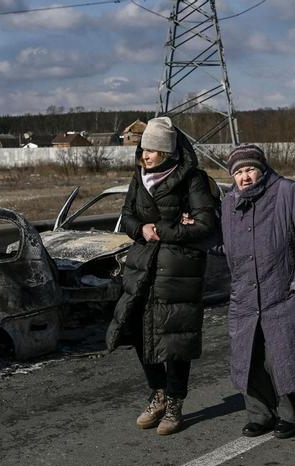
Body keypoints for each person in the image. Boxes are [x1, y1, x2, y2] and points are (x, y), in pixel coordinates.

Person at [105, 116, 220, 436]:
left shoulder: (191, 179)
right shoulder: (138, 177)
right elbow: (126, 216)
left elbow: (205, 224)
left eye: (154, 149)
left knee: (175, 337)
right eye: (144, 148)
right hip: (142, 264)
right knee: (140, 331)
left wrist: (164, 230)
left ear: (168, 151)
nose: (146, 154)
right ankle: (157, 392)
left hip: (178, 267)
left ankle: (174, 403)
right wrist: (140, 228)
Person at [218, 144, 295, 439]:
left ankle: (289, 415)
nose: (244, 177)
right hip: (245, 294)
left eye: (249, 170)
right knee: (249, 357)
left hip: (282, 289)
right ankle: (260, 415)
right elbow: (224, 244)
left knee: (281, 355)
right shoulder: (229, 203)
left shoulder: (287, 192)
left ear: (262, 169)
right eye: (238, 172)